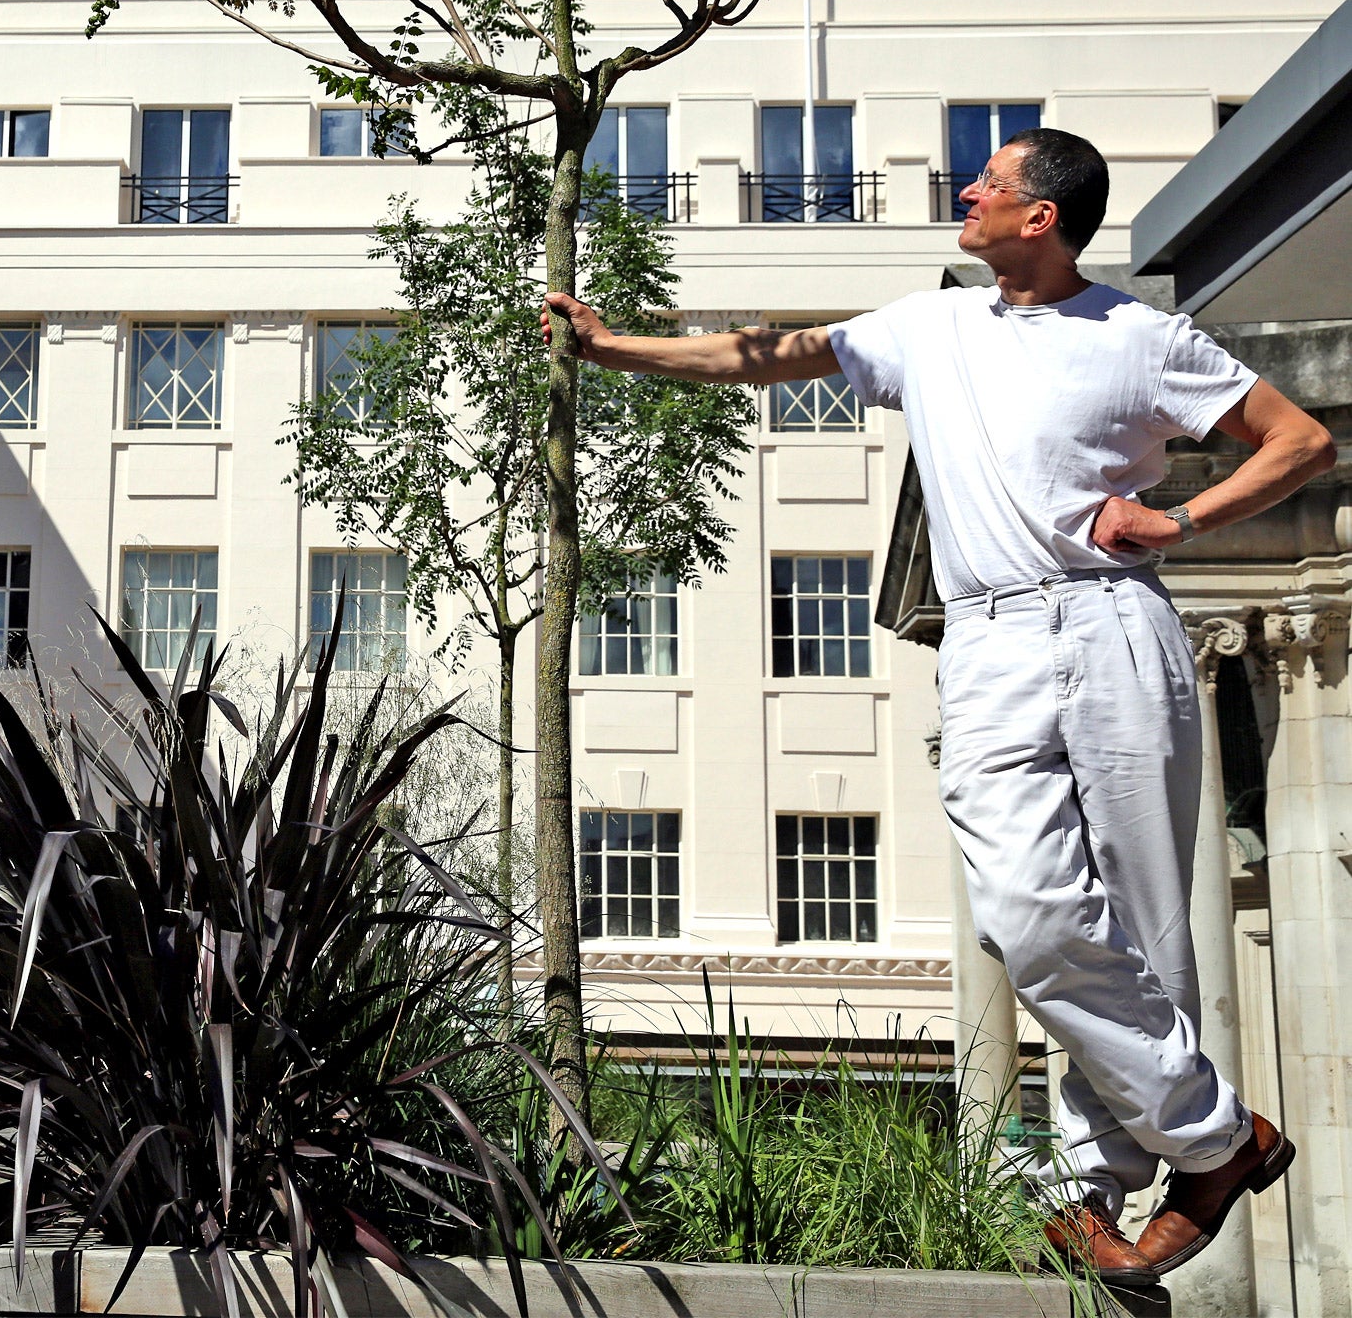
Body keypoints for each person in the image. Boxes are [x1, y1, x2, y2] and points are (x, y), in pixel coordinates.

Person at [543, 127, 1335, 1281]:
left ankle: (1090, 1190)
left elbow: (1296, 440)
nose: (965, 191)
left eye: (990, 183)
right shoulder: (929, 322)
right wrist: (617, 349)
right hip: (983, 641)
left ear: (1039, 219)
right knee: (1027, 912)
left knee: (1144, 922)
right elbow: (770, 355)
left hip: (1111, 620)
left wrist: (1178, 522)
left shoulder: (1139, 338)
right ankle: (1213, 1142)